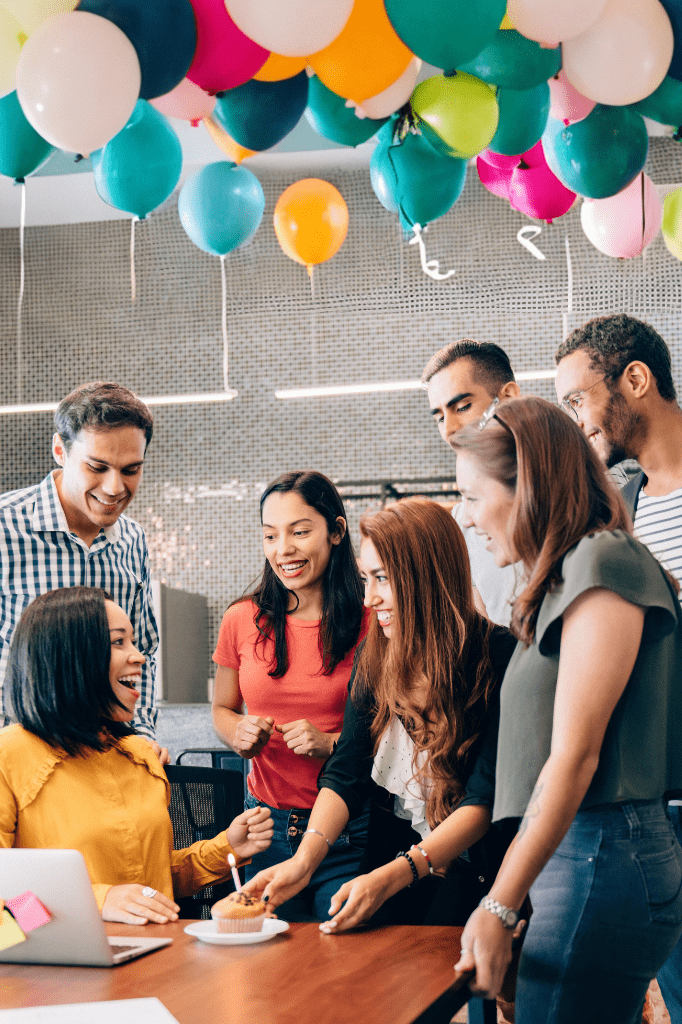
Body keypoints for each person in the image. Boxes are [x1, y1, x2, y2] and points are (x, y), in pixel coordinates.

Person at [449, 395, 682, 1024]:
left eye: (472, 497)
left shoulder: (602, 562)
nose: (464, 517)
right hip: (577, 856)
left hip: (604, 851)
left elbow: (575, 757)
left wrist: (499, 905)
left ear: (528, 487)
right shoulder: (562, 580)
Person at [240, 498, 516, 937]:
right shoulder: (377, 655)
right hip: (396, 859)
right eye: (367, 579)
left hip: (483, 871)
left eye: (383, 579)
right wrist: (304, 860)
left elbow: (485, 798)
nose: (370, 598)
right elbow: (348, 766)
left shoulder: (500, 656)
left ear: (426, 575)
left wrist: (393, 875)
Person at [0, 587, 273, 925]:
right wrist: (96, 901)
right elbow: (6, 916)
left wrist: (226, 848)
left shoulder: (140, 754)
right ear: (69, 655)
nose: (139, 656)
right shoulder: (9, 756)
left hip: (155, 957)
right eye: (119, 643)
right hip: (56, 972)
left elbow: (153, 884)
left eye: (133, 642)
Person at [555, 312, 682, 1022]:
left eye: (579, 400)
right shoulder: (619, 509)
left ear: (635, 380)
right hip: (656, 797)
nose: (576, 422)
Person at [211, 471, 370, 921]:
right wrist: (238, 733)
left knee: (339, 966)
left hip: (347, 831)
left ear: (336, 532)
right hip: (264, 827)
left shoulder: (372, 621)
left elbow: (400, 734)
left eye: (300, 532)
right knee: (269, 971)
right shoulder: (242, 619)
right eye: (270, 535)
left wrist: (333, 745)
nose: (284, 549)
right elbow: (223, 709)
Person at [0, 381, 164, 759]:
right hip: (18, 756)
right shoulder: (6, 528)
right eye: (97, 467)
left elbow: (147, 649)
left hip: (106, 756)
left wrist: (140, 730)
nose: (114, 487)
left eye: (131, 470)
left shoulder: (132, 540)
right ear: (60, 450)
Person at [421, 339, 521, 626]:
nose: (450, 430)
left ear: (510, 397)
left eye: (463, 407)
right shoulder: (463, 522)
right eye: (439, 418)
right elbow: (486, 634)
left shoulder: (581, 484)